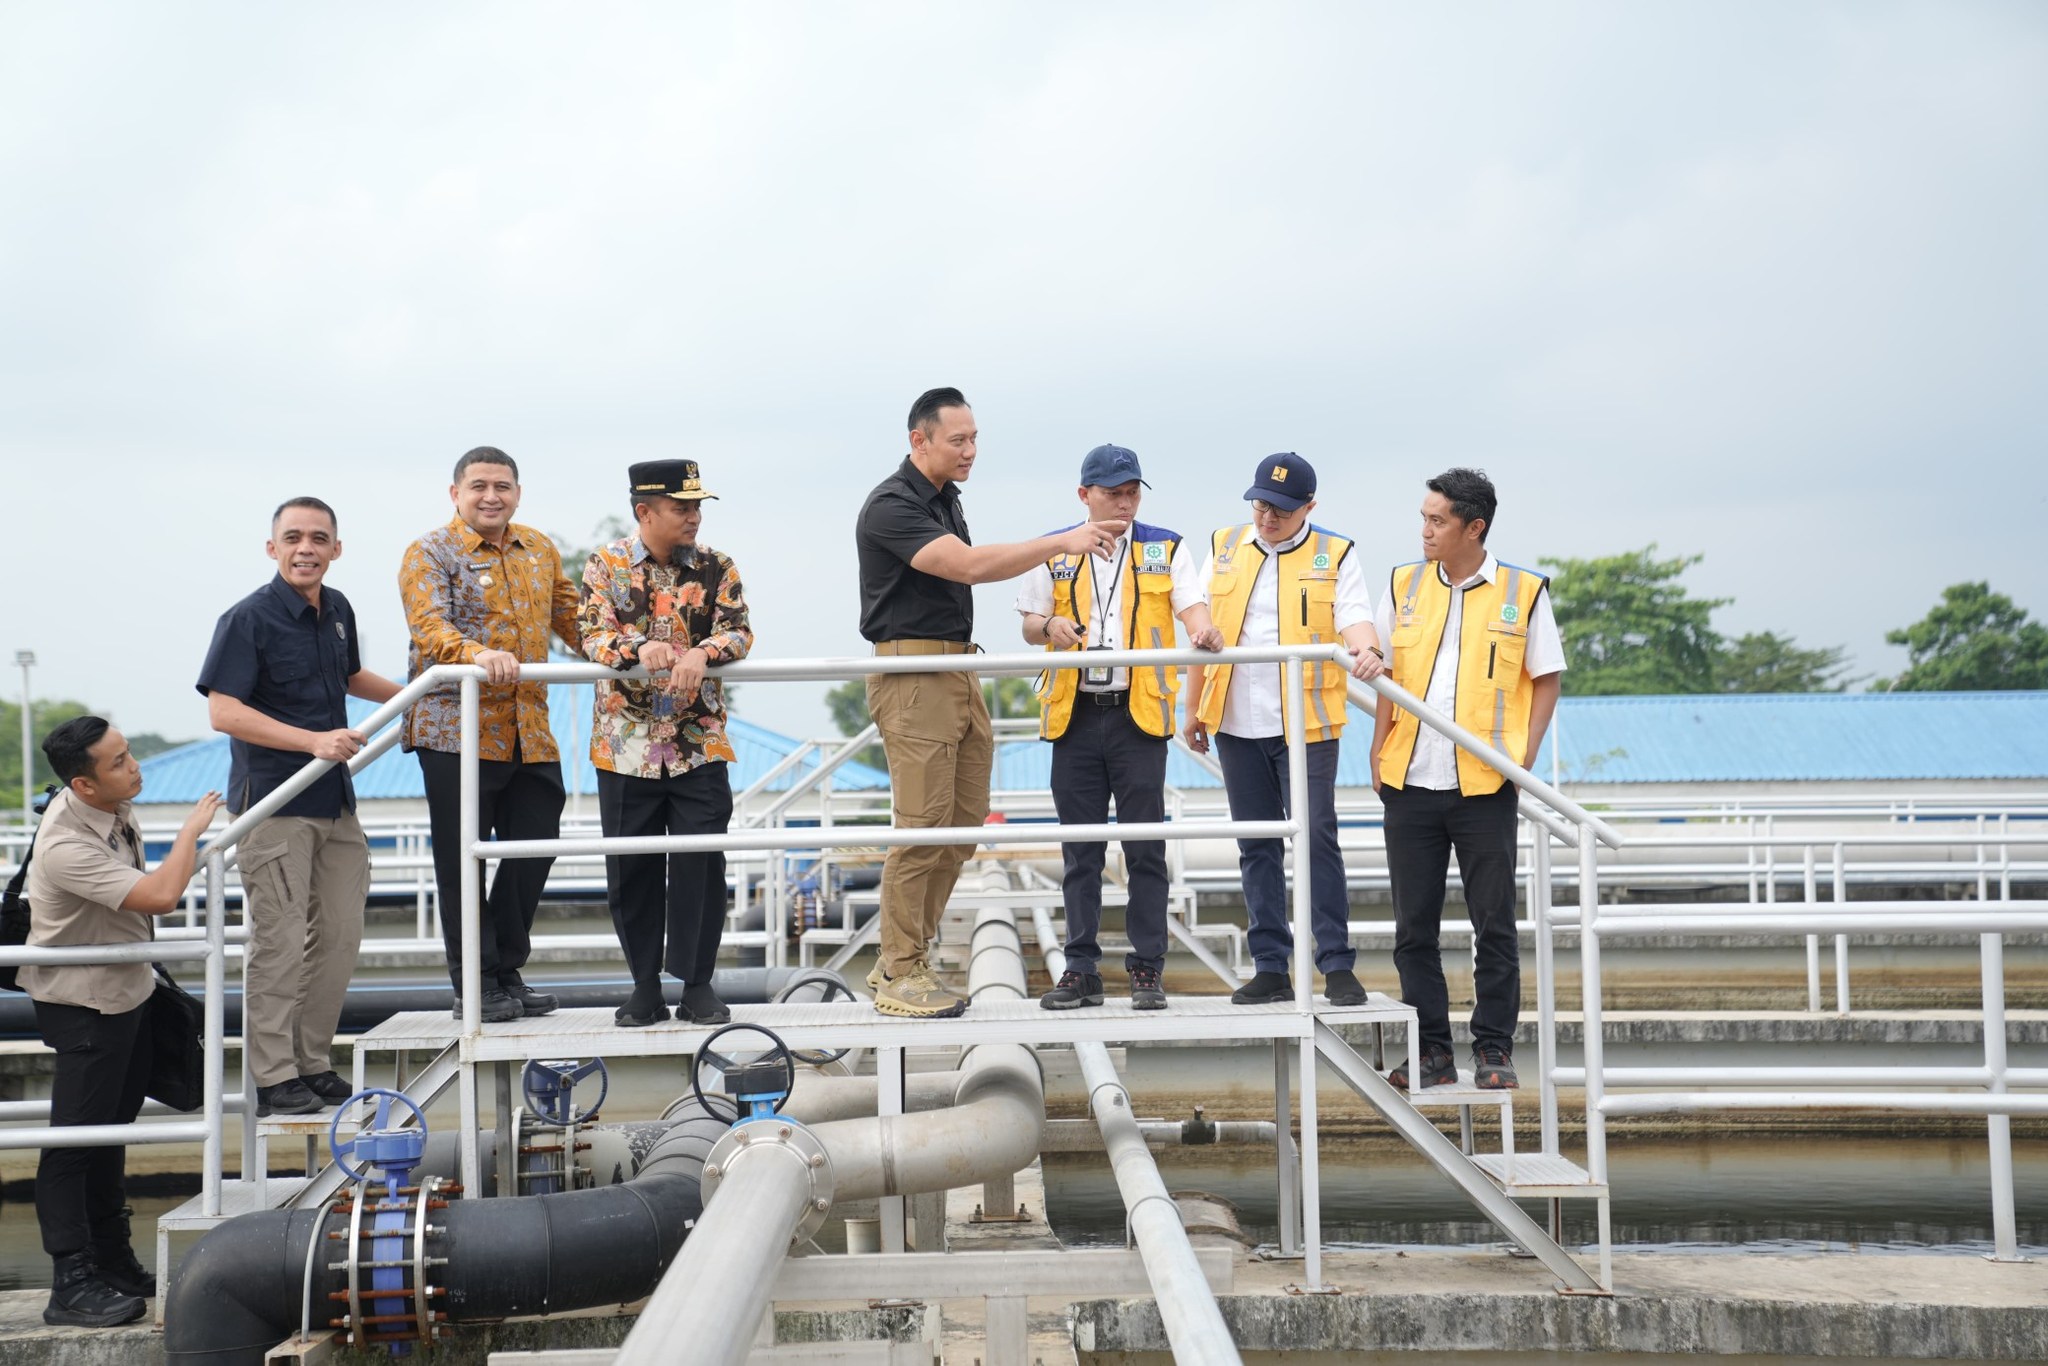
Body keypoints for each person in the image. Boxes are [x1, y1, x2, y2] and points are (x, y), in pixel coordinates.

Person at [854, 387, 1125, 1018]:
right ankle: (900, 970)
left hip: (956, 665)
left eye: (975, 438)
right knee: (922, 826)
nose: (971, 450)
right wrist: (1063, 541)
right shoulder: (892, 506)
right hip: (914, 672)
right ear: (919, 440)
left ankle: (903, 954)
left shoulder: (947, 499)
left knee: (963, 822)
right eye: (959, 440)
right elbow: (969, 567)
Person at [197, 497, 402, 1116]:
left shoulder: (336, 609)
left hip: (335, 800)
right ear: (272, 548)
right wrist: (312, 741)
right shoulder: (247, 619)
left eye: (318, 538)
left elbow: (351, 677)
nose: (305, 548)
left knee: (340, 935)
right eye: (292, 538)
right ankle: (274, 1074)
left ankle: (311, 1061)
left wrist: (431, 695)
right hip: (275, 803)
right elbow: (223, 711)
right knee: (280, 942)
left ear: (336, 549)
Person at [22, 716, 223, 1326]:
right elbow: (160, 895)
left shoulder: (111, 806)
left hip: (127, 989)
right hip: (83, 1003)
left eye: (129, 753)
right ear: (83, 785)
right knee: (73, 1142)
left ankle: (111, 1259)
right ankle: (70, 1281)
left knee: (110, 1133)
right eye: (117, 763)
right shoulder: (65, 845)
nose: (132, 766)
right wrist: (192, 830)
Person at [1370, 468, 1564, 1090]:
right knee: (1413, 928)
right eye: (1423, 518)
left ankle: (1493, 1050)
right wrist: (1378, 751)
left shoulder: (1524, 591)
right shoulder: (1403, 584)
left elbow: (1547, 676)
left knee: (1494, 924)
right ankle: (1429, 1051)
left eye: (1437, 520)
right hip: (1410, 780)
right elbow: (1384, 673)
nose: (1424, 530)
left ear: (1473, 527)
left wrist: (1522, 759)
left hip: (1485, 786)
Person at [1016, 443, 1222, 1011]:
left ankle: (1146, 968)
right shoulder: (1055, 549)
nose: (1124, 503)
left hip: (1139, 714)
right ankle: (1080, 968)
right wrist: (1050, 624)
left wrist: (1203, 632)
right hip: (1075, 713)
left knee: (1145, 848)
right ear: (1085, 496)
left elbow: (1191, 607)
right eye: (1112, 493)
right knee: (1080, 851)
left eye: (1132, 492)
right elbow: (1030, 623)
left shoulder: (1165, 546)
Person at [1184, 453, 1384, 1007]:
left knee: (1317, 836)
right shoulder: (1226, 544)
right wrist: (1193, 707)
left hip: (1308, 720)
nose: (1267, 517)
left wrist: (1367, 649)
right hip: (1236, 717)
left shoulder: (1335, 552)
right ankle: (1271, 964)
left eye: (1281, 509)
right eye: (1260, 504)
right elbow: (1201, 626)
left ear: (1309, 508)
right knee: (1256, 843)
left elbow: (1355, 617)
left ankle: (1336, 963)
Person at [399, 446, 582, 1022]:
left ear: (518, 494)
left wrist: (628, 654)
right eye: (478, 485)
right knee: (463, 862)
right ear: (456, 493)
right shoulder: (429, 551)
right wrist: (480, 654)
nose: (491, 496)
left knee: (536, 846)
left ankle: (506, 968)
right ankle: (475, 985)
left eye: (502, 486)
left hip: (529, 729)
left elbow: (573, 618)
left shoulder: (539, 549)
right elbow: (430, 629)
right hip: (456, 730)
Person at [578, 460, 753, 1027]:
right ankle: (644, 986)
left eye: (699, 507)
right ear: (644, 512)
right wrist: (634, 648)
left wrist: (704, 652)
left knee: (702, 860)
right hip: (625, 744)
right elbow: (592, 634)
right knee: (631, 869)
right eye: (683, 508)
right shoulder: (605, 566)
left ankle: (698, 983)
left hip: (698, 739)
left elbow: (739, 629)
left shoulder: (716, 565)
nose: (695, 517)